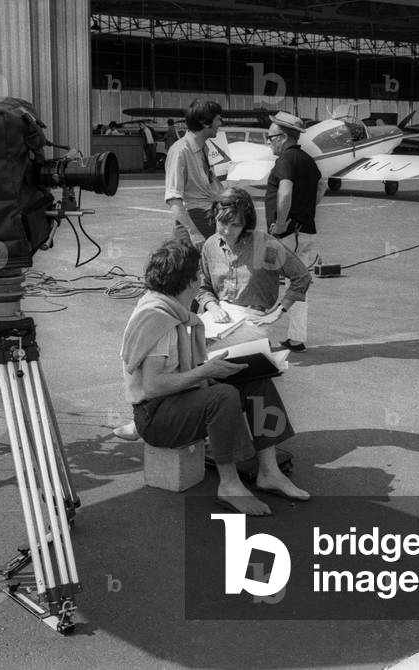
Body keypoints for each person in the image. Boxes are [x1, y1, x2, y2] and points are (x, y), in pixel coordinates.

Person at [121, 239, 310, 515]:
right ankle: (229, 485)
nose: (200, 281)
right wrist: (206, 371)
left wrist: (213, 368)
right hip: (155, 417)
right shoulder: (157, 319)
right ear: (187, 282)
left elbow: (178, 370)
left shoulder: (169, 308)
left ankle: (269, 471)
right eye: (197, 275)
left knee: (255, 377)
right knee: (223, 396)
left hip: (175, 400)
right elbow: (153, 385)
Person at [196, 187, 312, 350]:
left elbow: (301, 276)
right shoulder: (210, 245)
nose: (227, 230)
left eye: (236, 225)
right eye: (222, 222)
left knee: (203, 351)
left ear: (247, 223)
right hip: (218, 316)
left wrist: (277, 312)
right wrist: (213, 308)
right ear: (214, 216)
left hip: (252, 319)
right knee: (184, 344)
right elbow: (203, 287)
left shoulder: (263, 245)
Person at [264, 111, 326, 352]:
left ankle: (262, 337)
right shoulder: (307, 159)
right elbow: (322, 186)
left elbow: (285, 192)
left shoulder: (286, 160)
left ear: (282, 137)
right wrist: (307, 209)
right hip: (306, 231)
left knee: (265, 281)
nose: (269, 142)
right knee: (299, 284)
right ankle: (297, 338)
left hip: (286, 235)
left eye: (270, 137)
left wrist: (281, 223)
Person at [163, 99, 224, 248]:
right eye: (218, 119)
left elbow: (211, 184)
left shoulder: (203, 148)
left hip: (207, 218)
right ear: (205, 123)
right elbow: (173, 199)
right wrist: (194, 233)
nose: (220, 123)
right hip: (192, 222)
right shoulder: (180, 151)